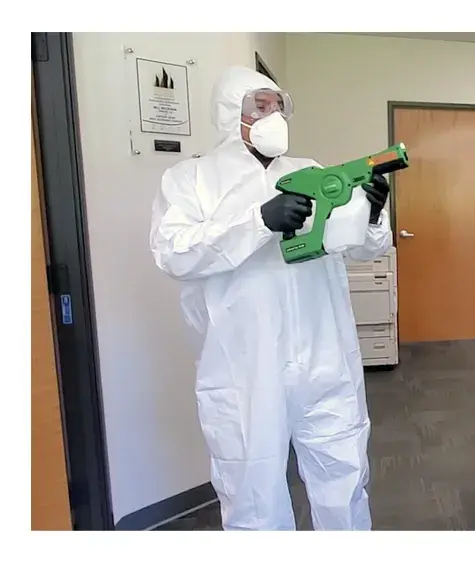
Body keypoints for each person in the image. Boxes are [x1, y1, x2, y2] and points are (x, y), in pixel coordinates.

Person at [149, 66, 392, 531]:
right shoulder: (192, 180)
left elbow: (363, 247)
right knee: (252, 490)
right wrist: (260, 221)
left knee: (343, 471)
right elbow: (173, 253)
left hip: (323, 353)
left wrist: (371, 213)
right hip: (245, 363)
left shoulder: (310, 172)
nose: (273, 115)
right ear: (230, 112)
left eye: (279, 106)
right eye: (261, 105)